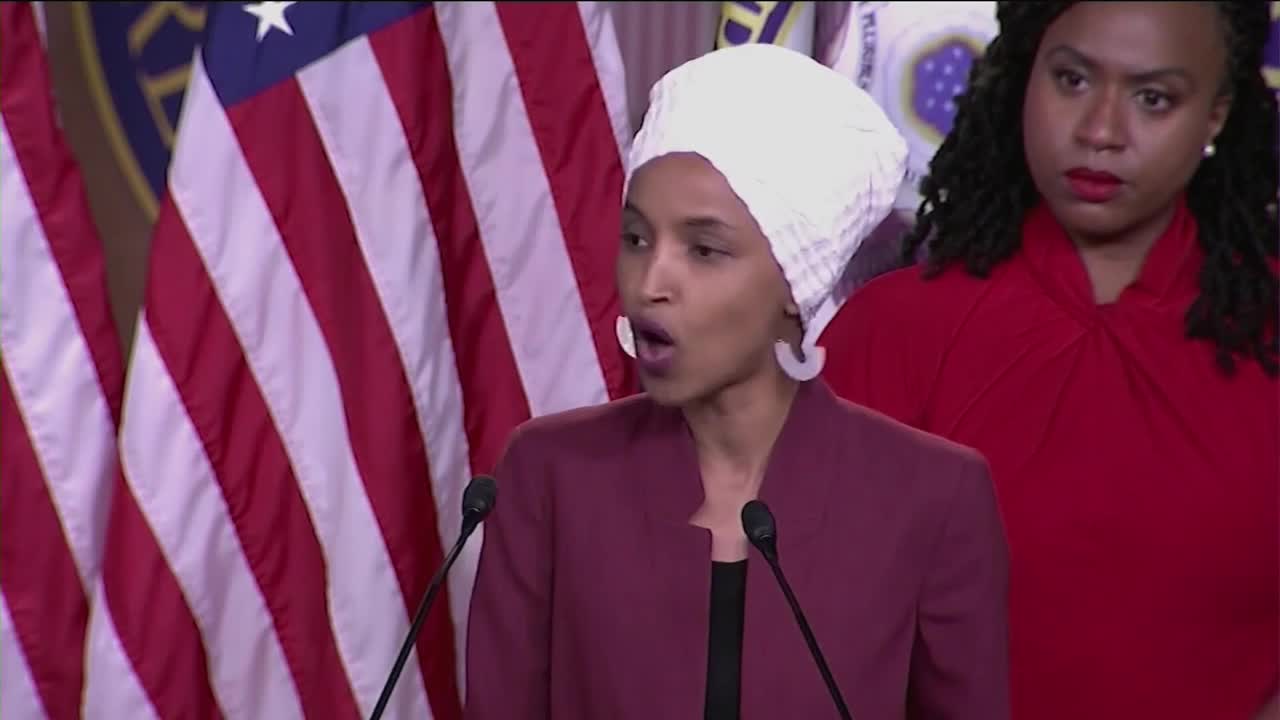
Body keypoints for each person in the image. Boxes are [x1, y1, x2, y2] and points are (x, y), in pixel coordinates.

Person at [462, 43, 1011, 720]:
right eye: (637, 238)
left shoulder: (933, 497)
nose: (651, 284)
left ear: (795, 282)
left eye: (703, 249)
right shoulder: (549, 475)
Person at [819, 2, 1278, 720]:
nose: (1100, 131)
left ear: (1216, 116)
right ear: (1023, 74)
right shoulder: (892, 332)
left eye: (1153, 98)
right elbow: (806, 639)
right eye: (1070, 80)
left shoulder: (1267, 337)